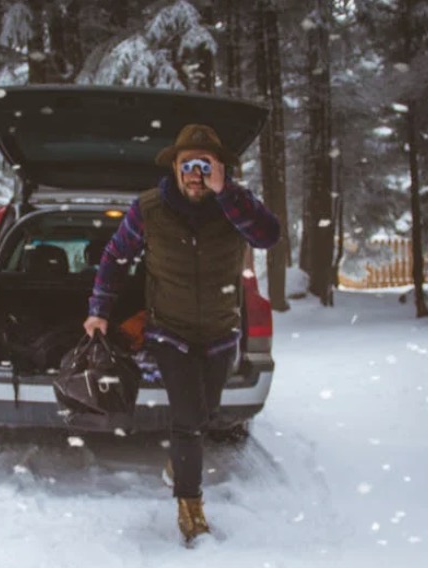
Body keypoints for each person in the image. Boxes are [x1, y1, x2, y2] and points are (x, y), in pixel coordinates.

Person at [83, 123, 281, 542]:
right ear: (173, 167)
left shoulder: (236, 206)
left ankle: (180, 462)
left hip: (221, 331)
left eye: (204, 165)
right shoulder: (149, 209)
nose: (195, 174)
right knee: (188, 417)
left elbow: (269, 235)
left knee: (206, 412)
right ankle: (190, 508)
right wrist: (99, 310)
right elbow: (116, 257)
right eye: (186, 164)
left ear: (220, 169)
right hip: (169, 330)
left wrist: (226, 191)